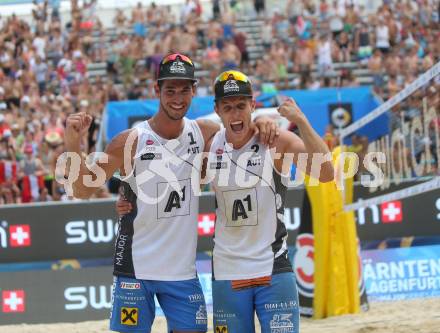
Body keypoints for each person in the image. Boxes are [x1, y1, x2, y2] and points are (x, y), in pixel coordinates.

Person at [62, 54, 278, 333]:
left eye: (184, 89)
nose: (178, 97)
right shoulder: (130, 141)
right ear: (156, 91)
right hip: (136, 268)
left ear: (193, 90)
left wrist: (262, 122)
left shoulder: (204, 132)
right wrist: (72, 143)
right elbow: (82, 190)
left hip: (182, 273)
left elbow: (239, 123)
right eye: (170, 90)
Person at [117, 70, 334, 332]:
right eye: (228, 107)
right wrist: (127, 195)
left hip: (273, 268)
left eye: (242, 106)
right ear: (218, 111)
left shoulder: (276, 142)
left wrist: (301, 120)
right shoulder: (208, 146)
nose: (236, 114)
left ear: (252, 105)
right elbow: (168, 177)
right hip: (228, 272)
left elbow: (326, 173)